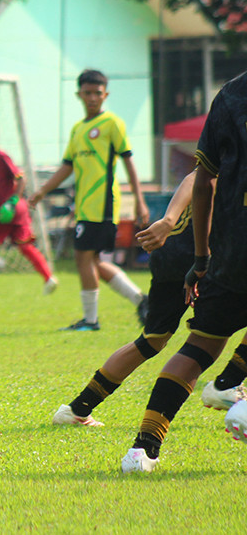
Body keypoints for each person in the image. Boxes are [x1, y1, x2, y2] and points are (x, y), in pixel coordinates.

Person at [122, 71, 247, 472]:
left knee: (198, 348)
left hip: (230, 254)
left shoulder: (230, 95)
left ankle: (142, 450)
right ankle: (235, 402)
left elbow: (203, 181)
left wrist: (202, 259)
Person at [52, 170, 197, 426]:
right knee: (208, 340)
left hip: (170, 250)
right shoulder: (233, 142)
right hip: (196, 255)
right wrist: (169, 220)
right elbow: (198, 177)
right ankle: (226, 384)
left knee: (153, 340)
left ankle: (77, 409)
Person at [29, 69, 150, 331]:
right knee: (92, 261)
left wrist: (139, 200)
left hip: (103, 204)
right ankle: (140, 300)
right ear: (79, 95)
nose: (93, 97)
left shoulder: (112, 124)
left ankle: (91, 320)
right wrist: (42, 191)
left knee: (83, 258)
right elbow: (66, 167)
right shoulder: (78, 129)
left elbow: (129, 161)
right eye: (88, 93)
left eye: (98, 93)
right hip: (84, 206)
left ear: (105, 94)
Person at [0, 123, 57, 296]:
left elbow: (21, 179)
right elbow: (1, 185)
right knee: (25, 245)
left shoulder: (1, 156)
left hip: (8, 208)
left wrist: (11, 201)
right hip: (17, 209)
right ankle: (49, 278)